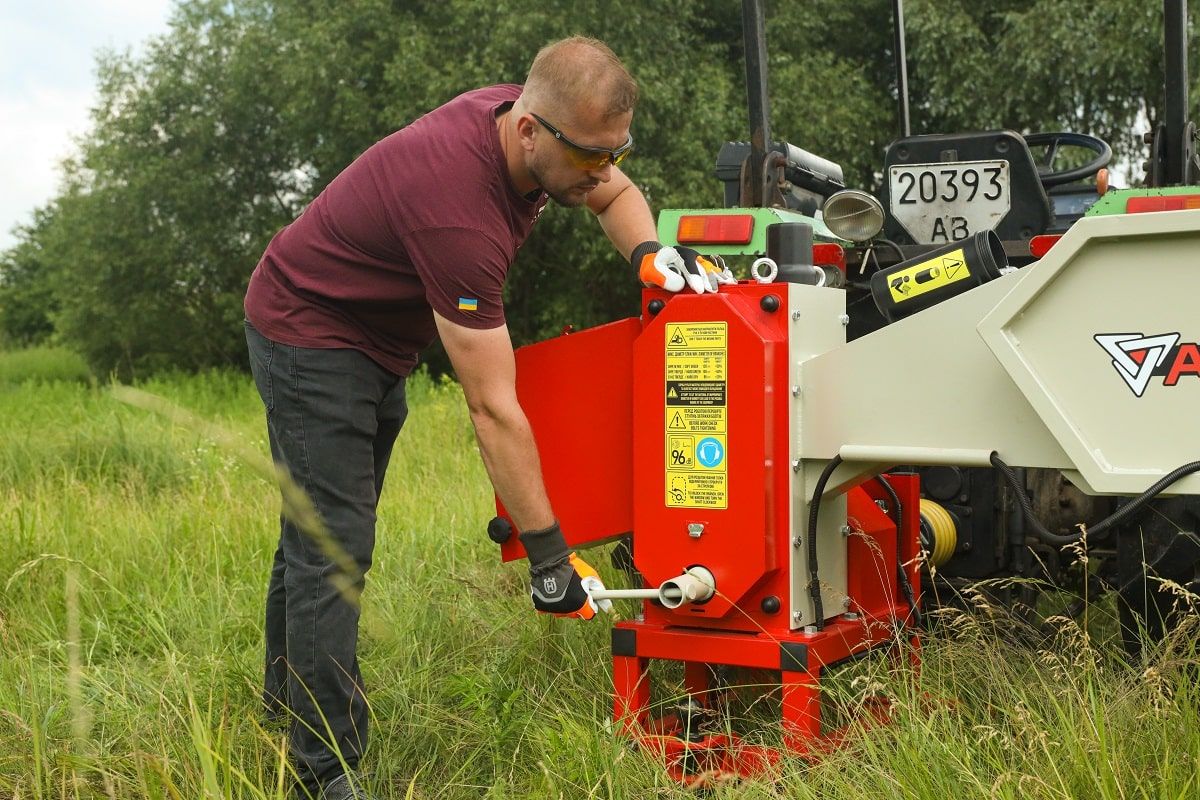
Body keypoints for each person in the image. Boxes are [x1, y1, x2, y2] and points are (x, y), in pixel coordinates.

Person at [242, 36, 725, 800]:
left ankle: (283, 709)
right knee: (333, 551)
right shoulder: (459, 218)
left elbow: (614, 194)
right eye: (590, 155)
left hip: (374, 340)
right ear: (530, 129)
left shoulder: (536, 129)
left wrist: (648, 254)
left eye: (616, 152)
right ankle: (321, 770)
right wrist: (549, 560)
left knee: (315, 538)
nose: (603, 170)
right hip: (311, 334)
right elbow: (493, 408)